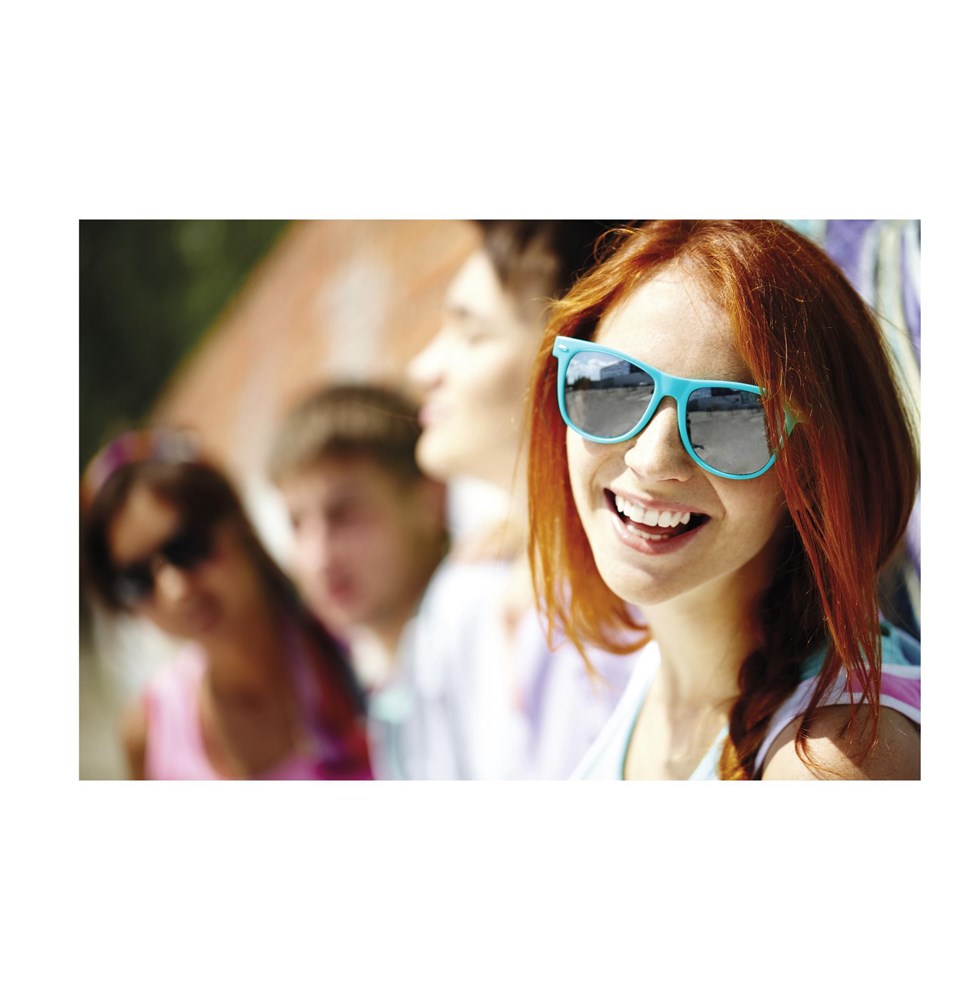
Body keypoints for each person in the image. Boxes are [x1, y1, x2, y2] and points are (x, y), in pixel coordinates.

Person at [527, 219, 920, 780]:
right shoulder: (655, 669)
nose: (652, 460)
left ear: (815, 470)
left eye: (731, 416)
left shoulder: (825, 765)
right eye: (615, 385)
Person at [402, 220, 642, 779]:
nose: (422, 369)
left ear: (573, 364)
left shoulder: (632, 608)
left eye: (471, 334)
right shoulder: (480, 585)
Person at [81, 429, 373, 780]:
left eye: (186, 547)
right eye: (136, 579)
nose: (175, 589)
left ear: (236, 521)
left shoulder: (360, 636)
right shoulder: (148, 735)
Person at [267, 383, 448, 778]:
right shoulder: (379, 686)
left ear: (428, 500)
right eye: (296, 523)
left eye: (344, 514)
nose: (319, 557)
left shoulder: (485, 624)